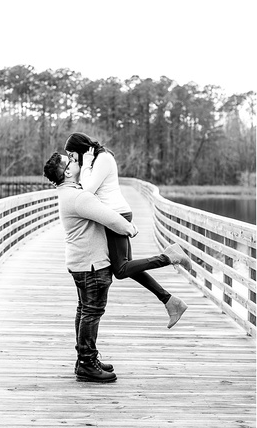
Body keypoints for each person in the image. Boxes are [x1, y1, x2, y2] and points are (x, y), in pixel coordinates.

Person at [64, 132, 190, 329]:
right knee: (129, 267)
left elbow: (87, 191)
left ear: (80, 149)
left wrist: (86, 163)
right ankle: (171, 302)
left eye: (72, 155)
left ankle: (169, 257)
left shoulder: (102, 159)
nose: (72, 160)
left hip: (117, 216)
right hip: (111, 216)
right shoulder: (95, 161)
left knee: (121, 270)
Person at [43, 152, 138, 383]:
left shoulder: (69, 193)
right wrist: (129, 228)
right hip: (92, 264)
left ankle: (85, 358)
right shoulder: (79, 197)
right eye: (73, 162)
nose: (77, 163)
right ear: (67, 172)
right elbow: (110, 218)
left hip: (81, 262)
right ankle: (87, 364)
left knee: (84, 310)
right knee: (92, 312)